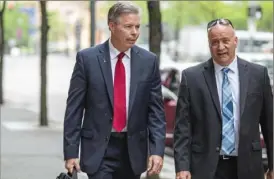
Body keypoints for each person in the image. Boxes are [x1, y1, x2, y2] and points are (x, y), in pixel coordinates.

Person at [63, 2, 166, 179]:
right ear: (112, 26)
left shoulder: (148, 61)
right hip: (98, 150)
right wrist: (71, 152)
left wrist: (157, 150)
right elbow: (74, 109)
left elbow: (156, 111)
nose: (135, 32)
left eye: (137, 26)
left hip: (133, 150)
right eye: (128, 26)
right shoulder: (87, 59)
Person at [173, 18, 273, 179]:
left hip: (248, 166)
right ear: (209, 45)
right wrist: (182, 167)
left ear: (235, 41)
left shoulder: (258, 75)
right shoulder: (192, 77)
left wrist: (273, 164)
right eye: (215, 42)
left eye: (225, 41)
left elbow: (270, 125)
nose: (221, 47)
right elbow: (183, 127)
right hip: (205, 167)